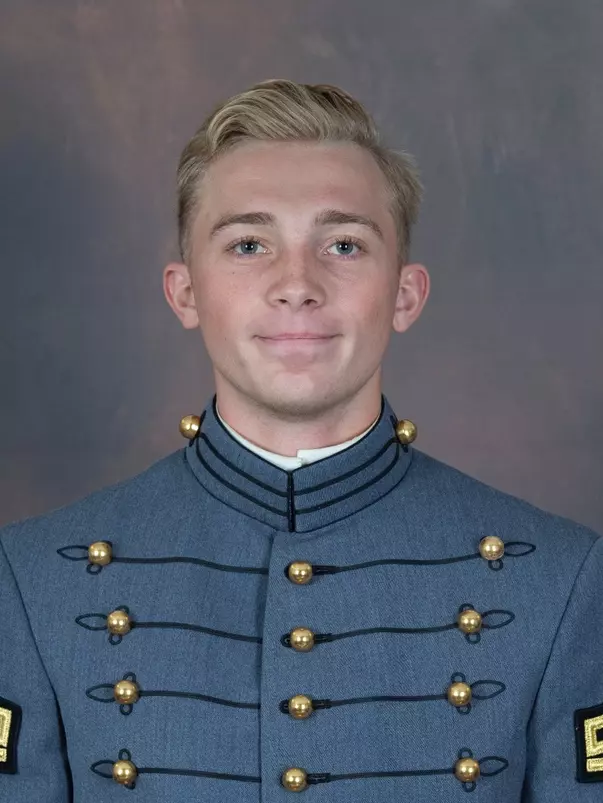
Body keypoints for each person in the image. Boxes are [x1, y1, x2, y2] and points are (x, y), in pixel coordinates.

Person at [0, 79, 601, 803]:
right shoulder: (31, 582)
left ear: (405, 294)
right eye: (248, 243)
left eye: (342, 244)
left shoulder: (562, 581)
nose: (297, 284)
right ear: (184, 291)